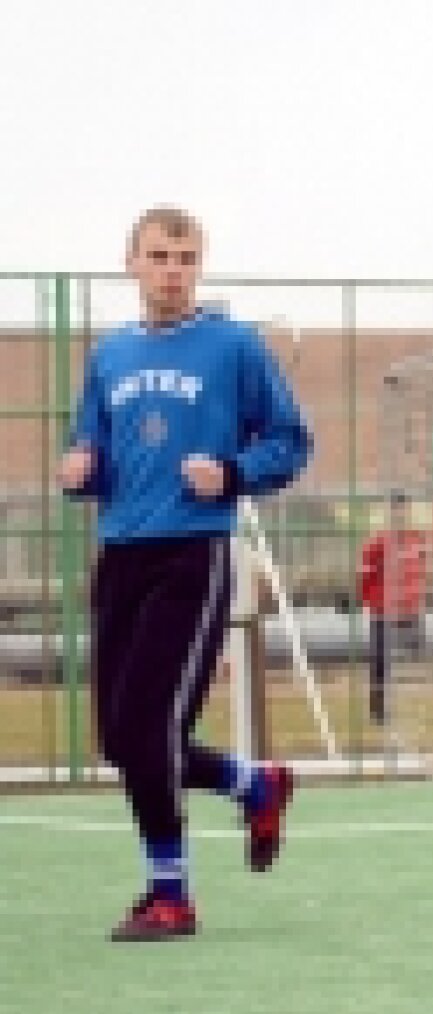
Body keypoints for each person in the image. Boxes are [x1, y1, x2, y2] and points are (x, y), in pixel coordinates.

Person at [58, 206, 313, 942]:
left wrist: (232, 472)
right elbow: (93, 448)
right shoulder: (109, 357)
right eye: (159, 256)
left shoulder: (233, 346)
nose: (173, 269)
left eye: (186, 256)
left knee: (147, 727)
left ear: (199, 265)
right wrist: (81, 470)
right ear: (130, 262)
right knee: (121, 739)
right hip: (121, 558)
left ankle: (169, 895)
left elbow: (291, 441)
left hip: (192, 556)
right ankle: (255, 784)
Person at [357, 491, 428, 723]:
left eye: (403, 509)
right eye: (395, 509)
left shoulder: (417, 539)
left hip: (409, 610)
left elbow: (421, 567)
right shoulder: (376, 543)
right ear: (388, 513)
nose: (399, 514)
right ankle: (378, 711)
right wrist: (370, 603)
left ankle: (411, 707)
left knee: (411, 659)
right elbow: (364, 577)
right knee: (380, 662)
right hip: (383, 611)